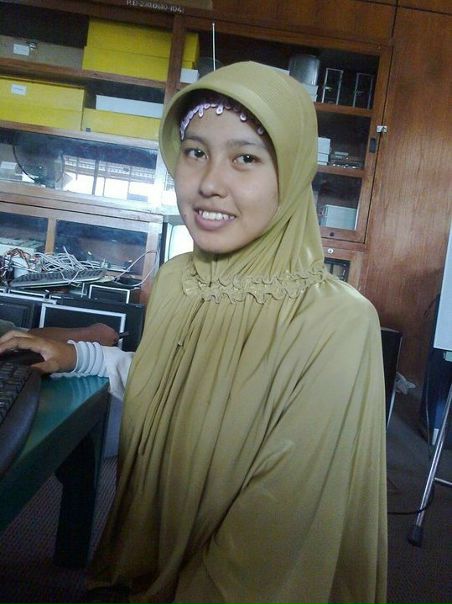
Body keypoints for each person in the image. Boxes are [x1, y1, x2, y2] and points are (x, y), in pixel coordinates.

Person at [0, 62, 387, 604]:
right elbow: (176, 382)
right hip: (147, 564)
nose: (208, 183)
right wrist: (80, 356)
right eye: (195, 151)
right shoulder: (178, 281)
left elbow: (276, 537)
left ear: (294, 172)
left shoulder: (336, 322)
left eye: (245, 158)